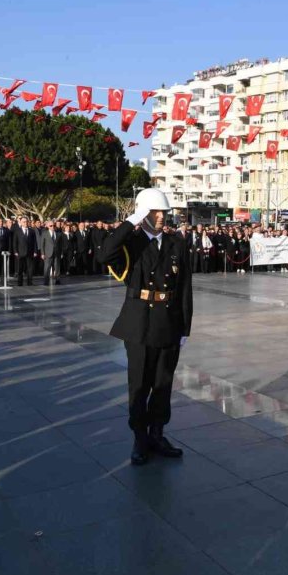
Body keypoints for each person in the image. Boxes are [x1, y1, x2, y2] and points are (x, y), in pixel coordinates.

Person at [101, 188, 193, 466]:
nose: (162, 216)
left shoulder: (177, 243)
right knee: (139, 383)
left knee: (163, 383)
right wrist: (131, 222)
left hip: (168, 321)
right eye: (155, 212)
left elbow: (185, 288)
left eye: (163, 212)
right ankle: (140, 437)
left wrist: (185, 328)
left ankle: (157, 433)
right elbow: (105, 253)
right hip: (139, 322)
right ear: (144, 213)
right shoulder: (132, 243)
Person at [40, 221, 64, 285]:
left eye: (53, 225)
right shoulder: (44, 233)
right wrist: (42, 253)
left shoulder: (58, 233)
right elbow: (42, 244)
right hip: (48, 253)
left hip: (57, 253)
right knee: (47, 267)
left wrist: (61, 253)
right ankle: (46, 281)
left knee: (57, 267)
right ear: (48, 226)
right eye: (51, 226)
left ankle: (57, 280)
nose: (52, 227)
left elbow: (61, 244)